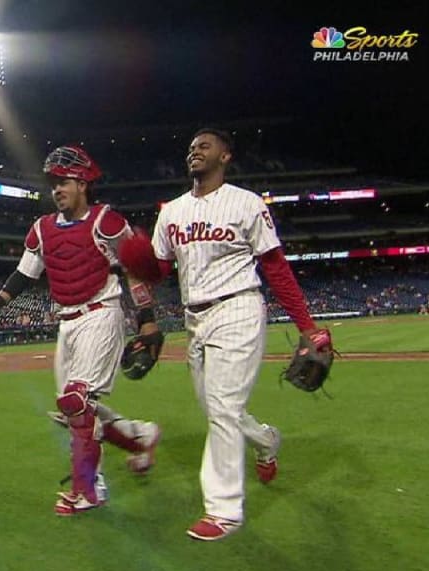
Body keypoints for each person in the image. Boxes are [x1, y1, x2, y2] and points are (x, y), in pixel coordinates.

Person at [141, 128, 333, 541]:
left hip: (238, 306)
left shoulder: (246, 203)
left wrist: (307, 326)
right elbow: (157, 272)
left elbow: (276, 267)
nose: (195, 150)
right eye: (191, 146)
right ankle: (267, 441)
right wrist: (137, 261)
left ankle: (224, 510)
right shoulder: (171, 211)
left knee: (224, 408)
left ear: (226, 156)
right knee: (218, 411)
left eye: (204, 145)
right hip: (194, 319)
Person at [0, 145, 162, 516]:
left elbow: (135, 271)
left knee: (77, 402)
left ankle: (87, 489)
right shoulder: (42, 229)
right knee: (71, 411)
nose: (56, 189)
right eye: (53, 183)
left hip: (101, 313)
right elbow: (25, 273)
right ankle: (139, 436)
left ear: (83, 184)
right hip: (67, 321)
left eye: (64, 182)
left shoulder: (106, 222)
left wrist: (147, 321)